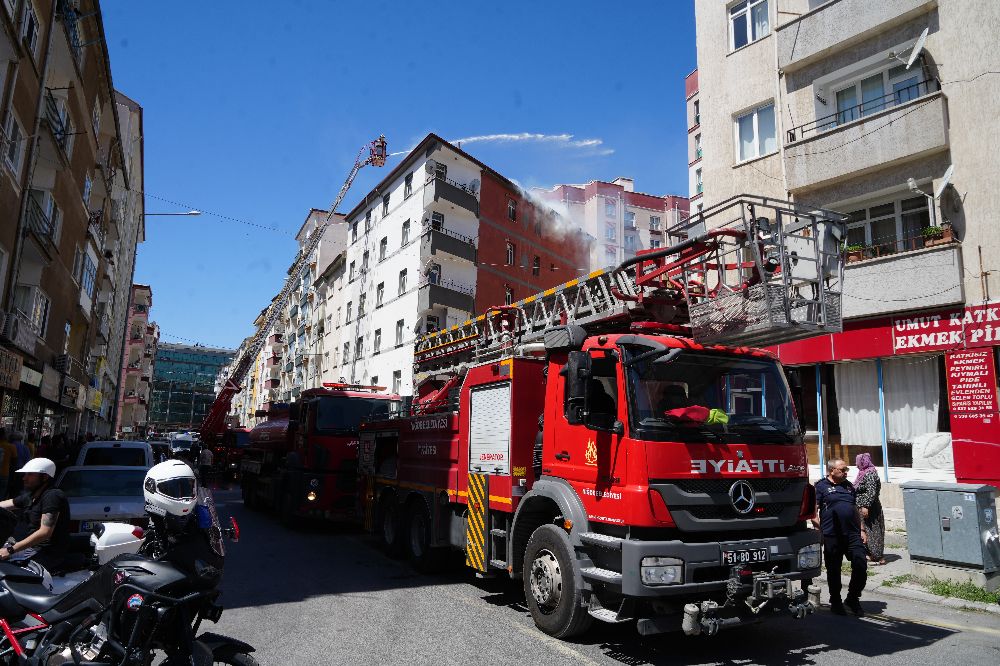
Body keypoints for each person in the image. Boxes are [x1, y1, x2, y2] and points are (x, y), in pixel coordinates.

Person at [813, 458, 867, 616]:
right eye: (842, 470)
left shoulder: (849, 486)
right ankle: (835, 601)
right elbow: (813, 511)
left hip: (853, 534)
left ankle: (852, 598)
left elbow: (855, 509)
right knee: (834, 570)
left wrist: (862, 529)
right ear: (832, 471)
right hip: (832, 535)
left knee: (860, 565)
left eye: (846, 470)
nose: (845, 473)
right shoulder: (821, 486)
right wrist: (820, 530)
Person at [0, 458, 71, 573]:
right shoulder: (31, 496)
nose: (24, 478)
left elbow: (45, 532)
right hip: (32, 548)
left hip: (48, 553)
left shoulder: (53, 496)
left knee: (12, 573)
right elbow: (6, 504)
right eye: (25, 474)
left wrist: (10, 550)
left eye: (30, 474)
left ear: (45, 477)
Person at [855, 452, 886, 565]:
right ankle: (872, 553)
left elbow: (871, 492)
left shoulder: (870, 474)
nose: (856, 464)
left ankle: (877, 556)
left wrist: (865, 506)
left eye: (858, 461)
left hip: (869, 508)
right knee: (867, 530)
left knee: (873, 531)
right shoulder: (864, 473)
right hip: (865, 506)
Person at [0, 428, 17, 500]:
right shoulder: (11, 447)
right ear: (4, 436)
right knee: (2, 493)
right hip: (4, 473)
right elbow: (14, 461)